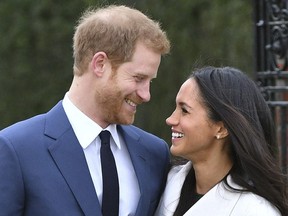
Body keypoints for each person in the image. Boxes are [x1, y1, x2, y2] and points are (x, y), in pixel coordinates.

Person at [0, 5, 171, 216]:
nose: (146, 95)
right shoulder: (15, 149)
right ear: (100, 64)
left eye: (150, 81)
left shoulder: (154, 153)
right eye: (139, 78)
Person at [155, 66, 288, 216]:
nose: (170, 119)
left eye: (185, 111)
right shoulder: (166, 182)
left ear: (221, 129)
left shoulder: (257, 211)